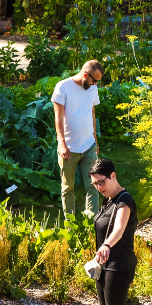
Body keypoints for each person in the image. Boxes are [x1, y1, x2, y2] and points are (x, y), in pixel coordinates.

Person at [83, 158, 138, 305]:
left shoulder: (124, 201)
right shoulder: (109, 201)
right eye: (95, 184)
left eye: (102, 182)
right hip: (104, 264)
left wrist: (105, 245)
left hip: (119, 264)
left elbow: (118, 229)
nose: (99, 187)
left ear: (113, 176)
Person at [52, 60, 103, 217]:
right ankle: (71, 227)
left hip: (88, 147)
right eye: (94, 80)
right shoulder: (63, 87)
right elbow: (58, 117)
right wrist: (62, 144)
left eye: (98, 82)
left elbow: (91, 113)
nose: (96, 84)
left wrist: (95, 141)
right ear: (85, 75)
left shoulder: (92, 88)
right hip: (69, 148)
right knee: (68, 189)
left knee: (94, 186)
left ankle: (91, 226)